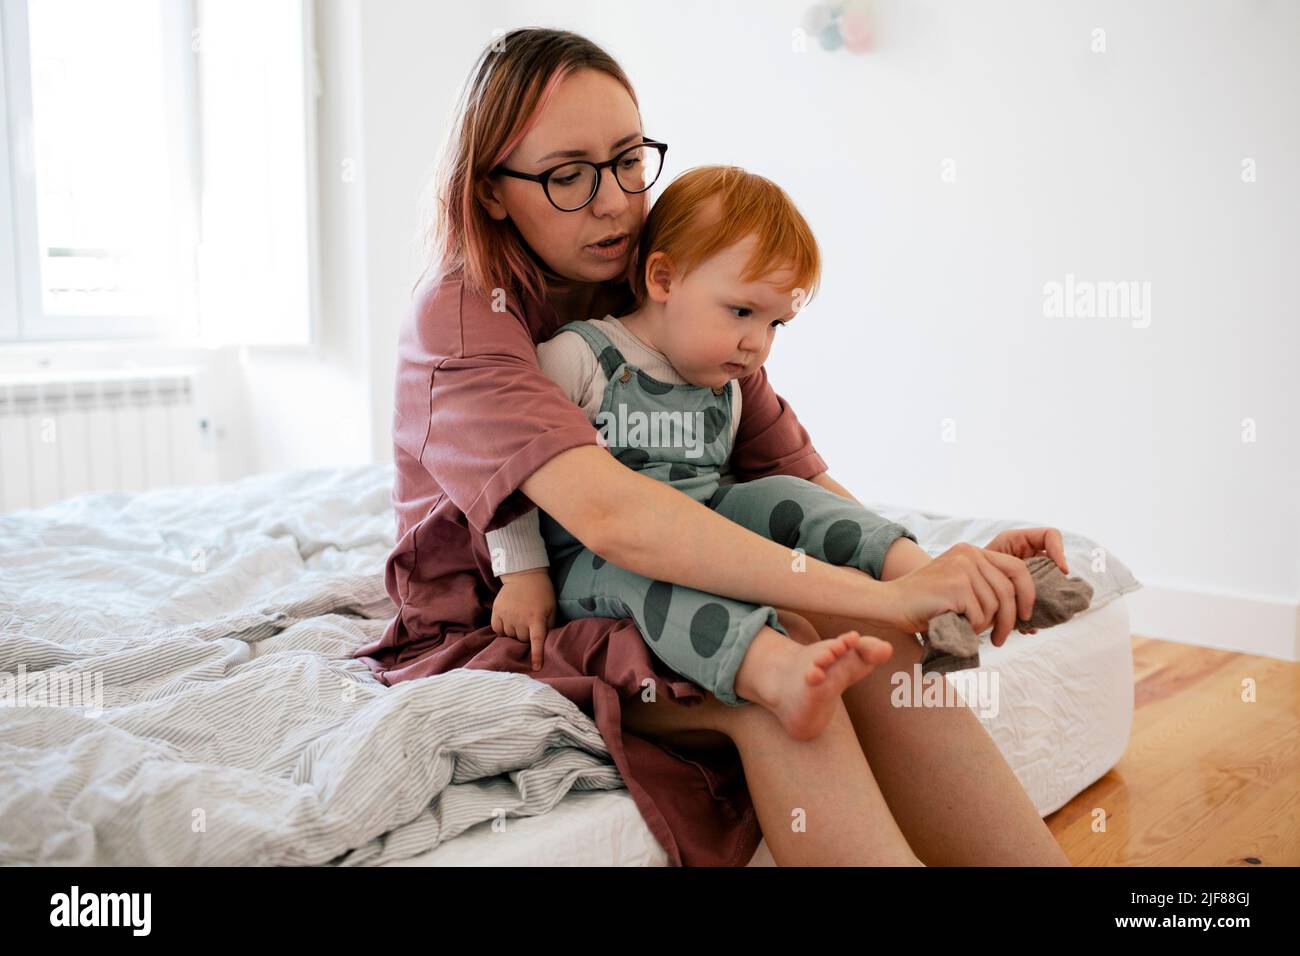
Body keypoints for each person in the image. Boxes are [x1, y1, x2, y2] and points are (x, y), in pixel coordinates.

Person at [355, 27, 1072, 867]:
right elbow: (617, 522)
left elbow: (793, 482)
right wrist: (884, 599)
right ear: (491, 193)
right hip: (522, 610)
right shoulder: (464, 317)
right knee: (786, 662)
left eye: (629, 159)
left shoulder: (661, 278)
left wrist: (931, 570)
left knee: (874, 645)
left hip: (658, 561)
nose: (615, 201)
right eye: (568, 175)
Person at [484, 164, 926, 742]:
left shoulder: (730, 384)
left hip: (699, 532)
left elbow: (762, 486)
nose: (757, 343)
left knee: (783, 494)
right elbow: (510, 468)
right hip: (594, 562)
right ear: (664, 279)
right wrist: (522, 571)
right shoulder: (579, 356)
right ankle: (773, 669)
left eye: (776, 324)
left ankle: (918, 572)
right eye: (742, 312)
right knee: (645, 573)